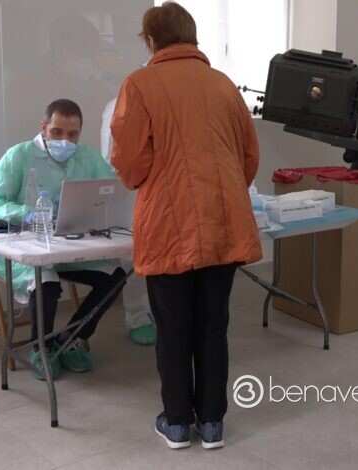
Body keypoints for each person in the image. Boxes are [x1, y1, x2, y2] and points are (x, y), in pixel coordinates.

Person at [109, 1, 261, 451]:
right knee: (213, 325)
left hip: (167, 224)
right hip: (224, 221)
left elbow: (129, 162)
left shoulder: (139, 84)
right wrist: (224, 190)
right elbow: (248, 156)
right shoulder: (223, 84)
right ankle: (212, 423)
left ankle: (177, 423)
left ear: (150, 40)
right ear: (193, 36)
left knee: (173, 327)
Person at [0, 99, 127, 381]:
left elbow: (110, 192)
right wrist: (28, 213)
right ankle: (41, 348)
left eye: (72, 134)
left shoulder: (88, 157)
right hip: (26, 246)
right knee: (46, 281)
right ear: (43, 127)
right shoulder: (19, 156)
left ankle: (71, 339)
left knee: (115, 276)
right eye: (57, 132)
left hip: (70, 245)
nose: (64, 141)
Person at [100, 97, 157, 346]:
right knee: (135, 255)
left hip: (165, 189)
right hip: (130, 189)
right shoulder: (120, 104)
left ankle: (162, 314)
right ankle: (138, 317)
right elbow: (112, 156)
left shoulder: (176, 100)